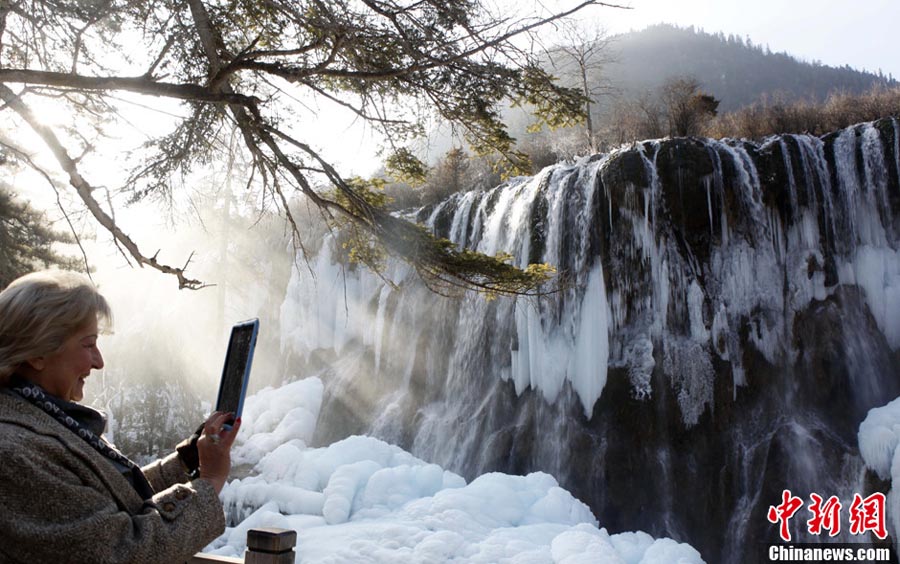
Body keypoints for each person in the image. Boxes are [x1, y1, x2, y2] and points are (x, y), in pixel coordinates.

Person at [0, 270, 242, 563]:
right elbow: (122, 550)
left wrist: (186, 462)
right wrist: (210, 481)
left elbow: (108, 500)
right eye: (88, 344)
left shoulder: (41, 420)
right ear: (37, 352)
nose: (99, 362)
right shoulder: (13, 453)